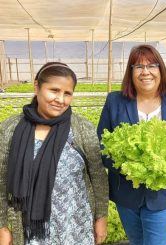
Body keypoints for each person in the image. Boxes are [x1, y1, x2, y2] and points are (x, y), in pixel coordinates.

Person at [0, 62, 108, 245]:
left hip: (75, 225)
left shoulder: (81, 128)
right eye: (54, 90)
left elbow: (98, 177)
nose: (60, 99)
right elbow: (1, 181)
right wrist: (2, 226)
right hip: (31, 230)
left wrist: (101, 218)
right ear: (37, 87)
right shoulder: (11, 129)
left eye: (67, 93)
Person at [97, 44, 166, 245]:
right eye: (138, 67)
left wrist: (161, 168)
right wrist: (133, 168)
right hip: (126, 195)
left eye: (152, 66)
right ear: (130, 73)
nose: (145, 72)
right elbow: (103, 146)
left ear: (161, 70)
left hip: (161, 196)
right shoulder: (115, 101)